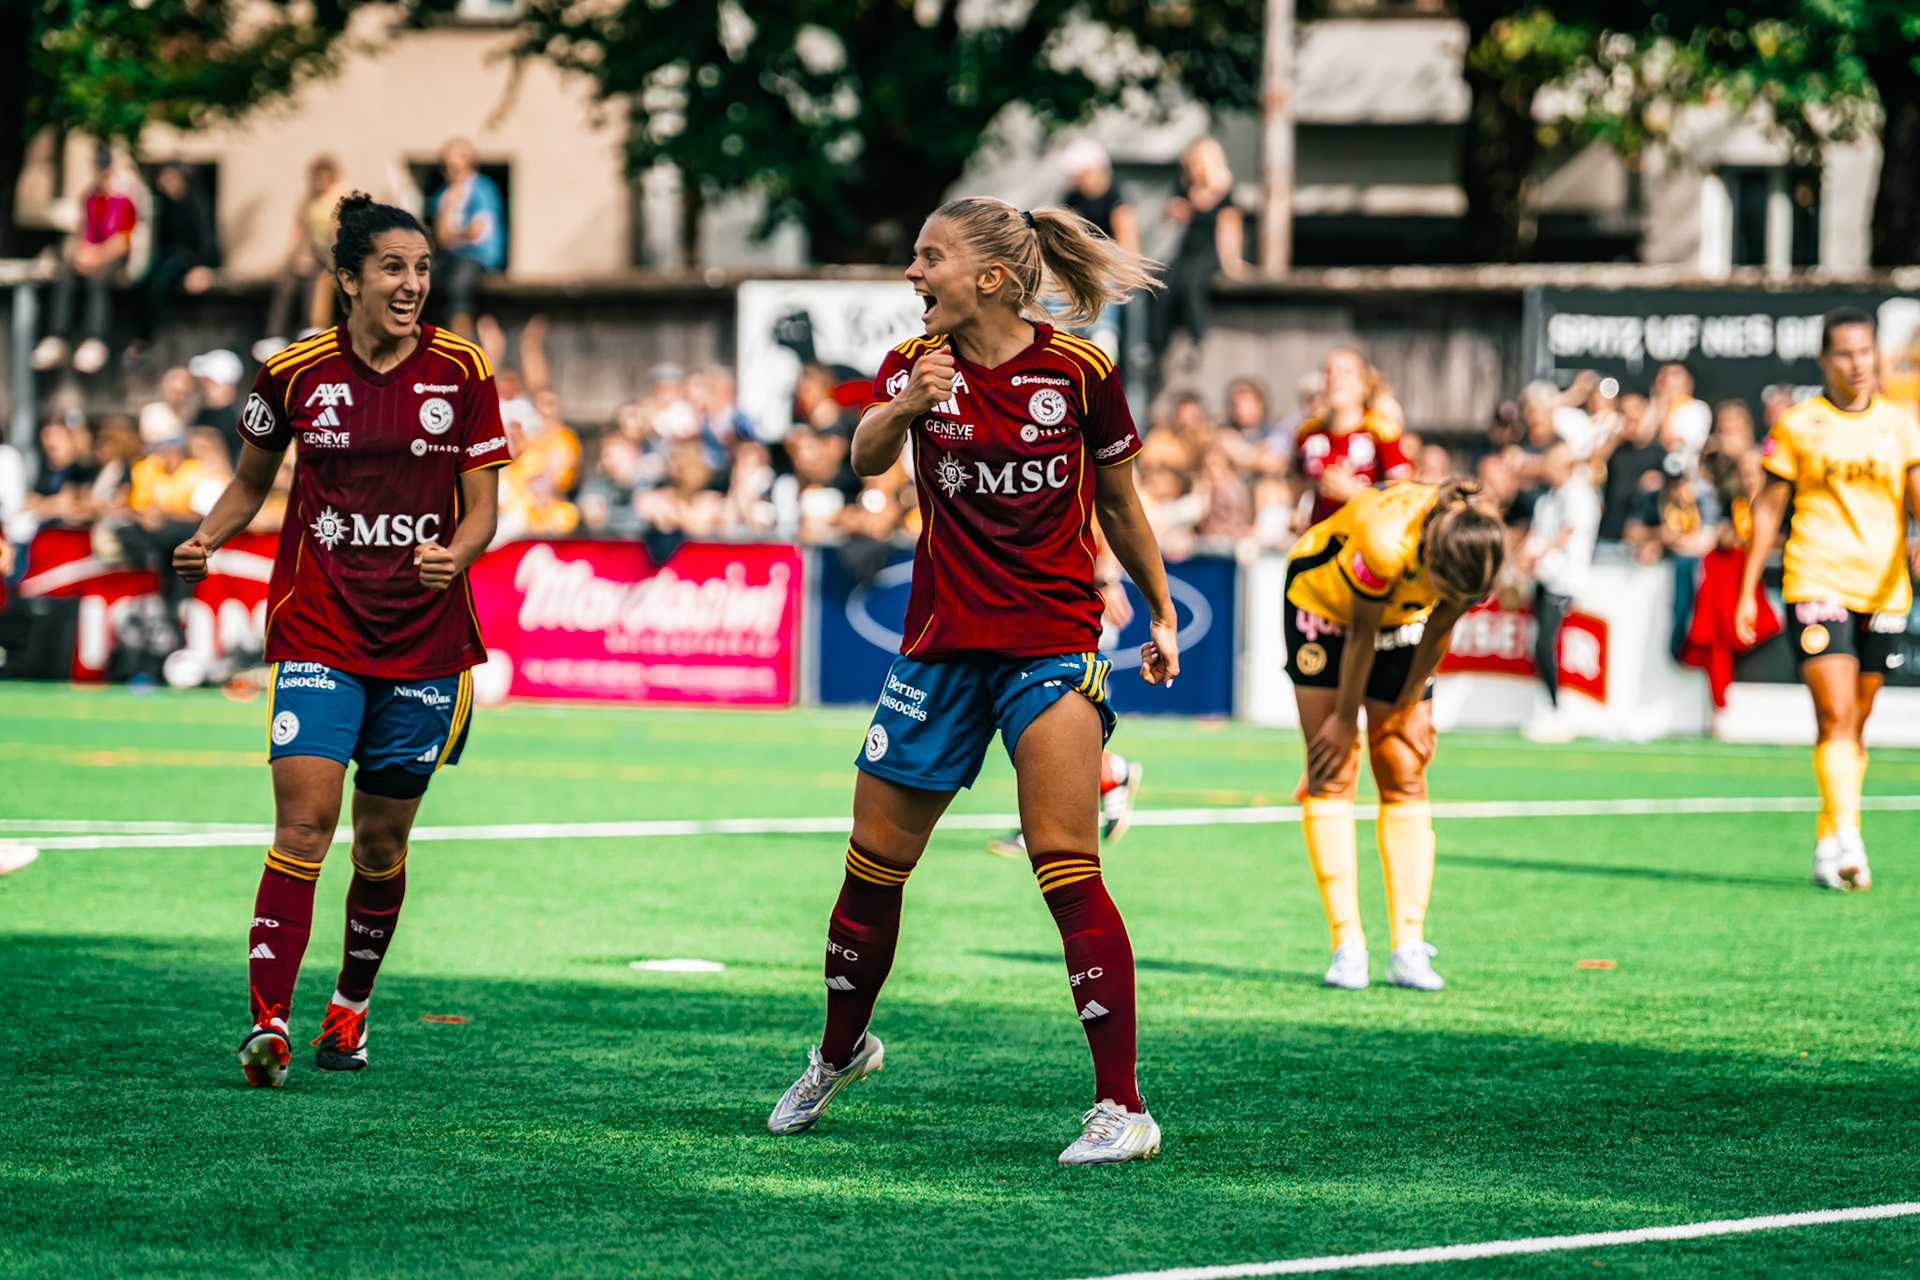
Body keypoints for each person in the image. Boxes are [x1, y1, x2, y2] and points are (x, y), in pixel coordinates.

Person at [766, 197, 1176, 1165]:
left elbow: (1121, 504)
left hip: (1050, 644)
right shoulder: (913, 364)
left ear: (990, 276)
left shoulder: (1080, 370)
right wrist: (906, 405)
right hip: (938, 648)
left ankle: (1122, 1108)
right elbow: (865, 461)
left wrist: (1160, 612)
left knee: (1067, 866)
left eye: (929, 257)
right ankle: (838, 1052)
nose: (913, 273)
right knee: (872, 868)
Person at [172, 193, 510, 1087]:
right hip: (319, 629)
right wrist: (208, 537)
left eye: (422, 269)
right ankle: (269, 1024)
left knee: (381, 846)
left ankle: (349, 1010)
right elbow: (250, 482)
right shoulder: (292, 372)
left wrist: (454, 554)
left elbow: (484, 509)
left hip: (426, 643)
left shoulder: (463, 369)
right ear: (349, 278)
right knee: (302, 826)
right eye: (393, 268)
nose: (412, 284)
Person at [1284, 480, 1506, 992]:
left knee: (1403, 766)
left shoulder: (1480, 554)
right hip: (1321, 606)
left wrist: (1407, 710)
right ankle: (1347, 944)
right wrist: (1345, 719)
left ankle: (1408, 946)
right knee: (1332, 767)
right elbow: (1362, 635)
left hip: (1402, 619)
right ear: (1428, 555)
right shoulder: (1385, 542)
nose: (1454, 599)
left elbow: (1439, 626)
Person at [1736, 308, 1920, 892]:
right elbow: (1769, 509)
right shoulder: (1798, 425)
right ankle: (1850, 840)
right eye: (1845, 353)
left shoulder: (1901, 424)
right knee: (1837, 712)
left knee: (1853, 723)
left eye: (1866, 351)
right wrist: (1747, 588)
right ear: (1823, 358)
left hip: (1885, 590)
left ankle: (1828, 838)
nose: (1858, 364)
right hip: (1816, 581)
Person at [1520, 440, 1601, 738]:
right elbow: (1538, 530)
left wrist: (1539, 553)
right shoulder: (1549, 497)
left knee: (1546, 643)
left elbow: (1569, 530)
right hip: (1545, 577)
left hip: (1566, 578)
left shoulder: (1578, 494)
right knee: (1541, 644)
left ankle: (1558, 709)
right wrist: (1524, 557)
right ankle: (1550, 706)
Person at [33, 148, 138, 375]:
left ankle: (95, 339)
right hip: (93, 254)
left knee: (98, 281)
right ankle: (57, 337)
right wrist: (82, 257)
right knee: (65, 277)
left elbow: (124, 241)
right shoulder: (91, 198)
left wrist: (97, 257)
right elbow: (85, 234)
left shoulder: (125, 199)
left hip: (113, 257)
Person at [1149, 136, 1249, 370]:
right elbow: (1167, 213)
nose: (1194, 170)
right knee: (1164, 281)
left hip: (1211, 252)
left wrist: (1232, 262)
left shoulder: (1224, 192)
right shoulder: (1185, 188)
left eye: (1198, 164)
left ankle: (1195, 339)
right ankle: (1156, 344)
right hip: (1187, 249)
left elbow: (1229, 229)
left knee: (1193, 282)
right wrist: (1173, 210)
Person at [1295, 347, 1413, 524]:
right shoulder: (1308, 434)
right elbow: (1297, 483)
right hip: (1320, 535)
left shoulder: (1381, 432)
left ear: (1365, 386)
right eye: (1328, 371)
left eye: (1346, 371)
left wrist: (1356, 493)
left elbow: (1405, 496)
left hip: (1363, 533)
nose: (1335, 377)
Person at [256, 154, 350, 363]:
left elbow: (338, 231)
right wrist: (286, 262)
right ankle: (274, 335)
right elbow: (299, 233)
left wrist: (338, 259)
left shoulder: (342, 196)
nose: (319, 183)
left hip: (338, 253)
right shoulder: (307, 199)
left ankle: (315, 328)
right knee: (287, 280)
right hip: (317, 254)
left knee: (319, 281)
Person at [1058, 138, 1141, 358]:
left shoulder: (1116, 196)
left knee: (1103, 264)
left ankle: (1105, 337)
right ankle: (1057, 333)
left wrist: (1128, 272)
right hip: (1079, 266)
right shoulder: (1072, 197)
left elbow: (1128, 242)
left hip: (1106, 268)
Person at [132, 163, 220, 359]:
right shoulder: (168, 205)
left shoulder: (196, 202)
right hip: (171, 256)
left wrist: (204, 268)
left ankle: (146, 337)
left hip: (189, 259)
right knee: (144, 281)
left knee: (160, 283)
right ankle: (140, 334)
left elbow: (207, 241)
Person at [430, 139, 506, 339]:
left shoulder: (482, 189)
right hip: (451, 257)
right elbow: (441, 237)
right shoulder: (443, 195)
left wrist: (453, 234)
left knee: (458, 286)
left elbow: (477, 232)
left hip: (478, 257)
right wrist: (449, 206)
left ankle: (461, 344)